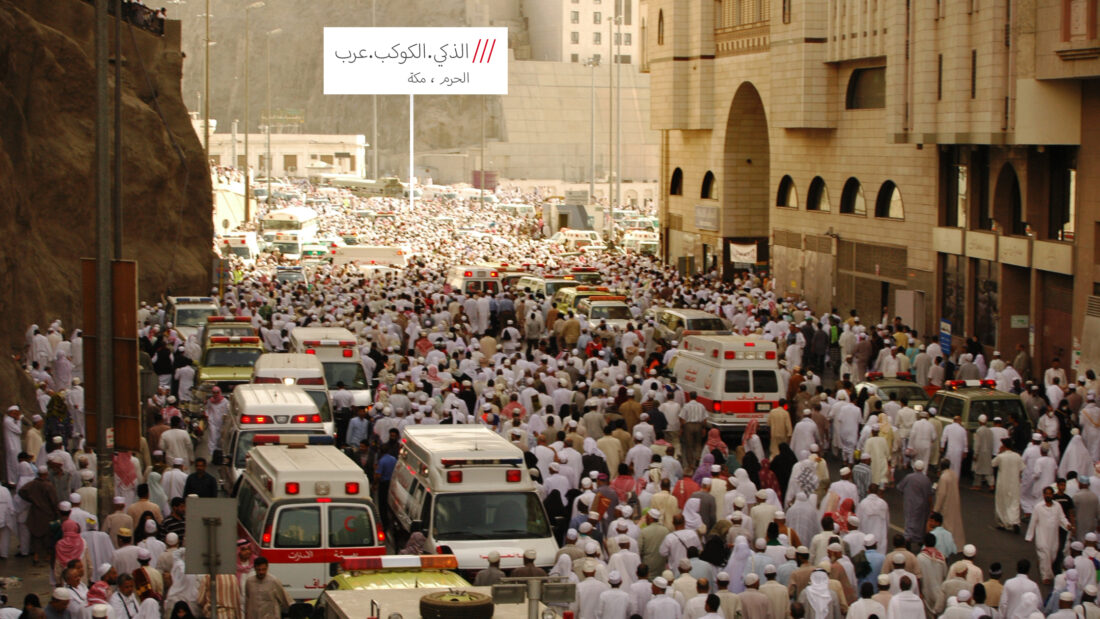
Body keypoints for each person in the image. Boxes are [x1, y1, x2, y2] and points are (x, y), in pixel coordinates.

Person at [1025, 486, 1072, 583]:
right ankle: (1045, 576)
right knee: (1044, 554)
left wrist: (1067, 524)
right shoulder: (1038, 507)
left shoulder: (1057, 506)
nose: (1048, 495)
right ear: (1043, 495)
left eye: (1050, 494)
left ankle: (1045, 569)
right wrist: (1029, 536)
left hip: (1053, 537)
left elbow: (1061, 518)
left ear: (1052, 495)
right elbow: (1033, 522)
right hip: (1042, 536)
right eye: (1046, 494)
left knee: (1052, 555)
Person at [895, 461, 932, 546]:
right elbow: (930, 494)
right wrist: (931, 506)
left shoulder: (909, 477)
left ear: (914, 468)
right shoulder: (926, 479)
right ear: (922, 468)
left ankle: (908, 538)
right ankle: (920, 538)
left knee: (909, 520)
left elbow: (900, 487)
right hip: (922, 505)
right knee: (921, 522)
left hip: (910, 503)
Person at [992, 439, 1024, 531]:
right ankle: (1015, 521)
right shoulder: (1017, 456)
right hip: (1014, 483)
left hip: (1003, 483)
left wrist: (999, 452)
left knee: (1002, 503)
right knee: (1014, 502)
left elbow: (993, 463)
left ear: (1004, 446)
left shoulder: (1001, 456)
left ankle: (1003, 523)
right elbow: (1021, 469)